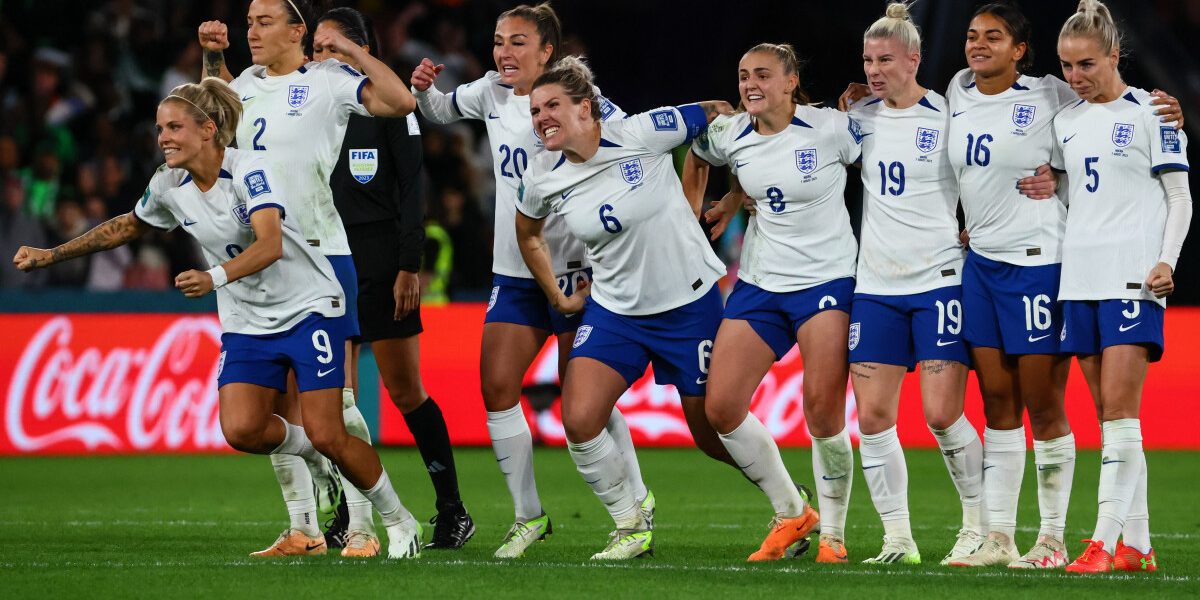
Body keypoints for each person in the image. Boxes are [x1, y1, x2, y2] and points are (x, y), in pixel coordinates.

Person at [12, 78, 423, 559]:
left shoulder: (251, 170)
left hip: (310, 308)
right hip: (248, 321)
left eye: (174, 127)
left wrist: (214, 278)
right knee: (243, 430)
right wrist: (51, 254)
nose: (163, 137)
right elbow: (124, 226)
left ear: (208, 130)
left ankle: (399, 522)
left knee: (330, 429)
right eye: (159, 128)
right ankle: (313, 454)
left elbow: (269, 244)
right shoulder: (168, 184)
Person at [195, 0, 451, 555]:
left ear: (297, 31)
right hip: (261, 261)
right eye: (247, 23)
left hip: (319, 258)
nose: (251, 31)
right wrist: (214, 61)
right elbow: (205, 131)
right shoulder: (243, 82)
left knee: (337, 404)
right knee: (277, 408)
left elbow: (402, 101)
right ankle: (304, 528)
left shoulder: (328, 81)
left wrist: (352, 51)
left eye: (264, 22)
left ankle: (362, 527)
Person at [409, 2, 650, 559]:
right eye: (498, 41)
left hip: (584, 274)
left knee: (584, 398)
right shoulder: (492, 91)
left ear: (548, 51)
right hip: (515, 271)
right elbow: (442, 110)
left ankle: (637, 499)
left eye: (518, 42)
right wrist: (422, 90)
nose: (504, 52)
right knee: (496, 387)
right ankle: (528, 517)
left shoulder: (584, 101)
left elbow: (631, 144)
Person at [516, 56, 742, 560]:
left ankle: (790, 500)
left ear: (586, 109)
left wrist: (727, 195)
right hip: (614, 307)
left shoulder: (642, 130)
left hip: (685, 297)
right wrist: (557, 294)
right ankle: (630, 524)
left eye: (552, 105)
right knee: (578, 416)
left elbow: (720, 112)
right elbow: (527, 231)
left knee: (709, 432)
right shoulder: (541, 175)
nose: (541, 117)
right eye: (535, 111)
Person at [686, 42, 854, 562]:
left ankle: (835, 538)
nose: (750, 84)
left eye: (762, 74)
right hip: (759, 283)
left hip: (826, 280)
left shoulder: (831, 127)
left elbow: (893, 138)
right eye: (742, 76)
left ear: (790, 81)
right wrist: (710, 205)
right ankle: (792, 512)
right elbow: (697, 152)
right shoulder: (731, 132)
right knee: (721, 406)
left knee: (822, 410)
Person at [314, 6, 472, 556]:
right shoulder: (306, 105)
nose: (319, 57)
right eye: (315, 47)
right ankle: (347, 513)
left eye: (331, 46)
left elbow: (412, 189)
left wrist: (411, 265)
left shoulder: (387, 104)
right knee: (335, 399)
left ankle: (452, 508)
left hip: (382, 262)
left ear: (358, 50)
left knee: (405, 392)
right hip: (325, 264)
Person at [1052, 0, 1191, 574]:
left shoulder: (1155, 113)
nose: (1076, 77)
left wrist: (1166, 261)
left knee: (1121, 413)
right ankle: (1139, 543)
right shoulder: (1066, 122)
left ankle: (1102, 545)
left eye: (1086, 64)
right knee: (1110, 419)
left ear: (1114, 55)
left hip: (1133, 277)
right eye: (1066, 67)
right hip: (1078, 278)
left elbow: (1179, 197)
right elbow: (1074, 199)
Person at [840, 2, 981, 566]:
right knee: (873, 418)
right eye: (868, 60)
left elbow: (988, 168)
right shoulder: (858, 120)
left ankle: (978, 527)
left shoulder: (948, 115)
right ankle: (897, 538)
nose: (875, 70)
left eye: (886, 59)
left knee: (943, 414)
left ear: (914, 59)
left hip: (940, 281)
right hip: (875, 285)